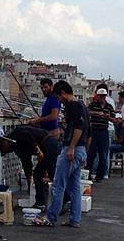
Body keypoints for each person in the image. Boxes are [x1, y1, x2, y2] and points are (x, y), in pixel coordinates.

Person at [35, 81, 89, 228]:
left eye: (59, 97)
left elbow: (78, 127)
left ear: (64, 92)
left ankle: (51, 218)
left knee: (58, 184)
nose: (59, 101)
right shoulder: (83, 105)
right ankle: (75, 220)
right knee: (74, 187)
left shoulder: (73, 105)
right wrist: (84, 152)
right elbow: (87, 130)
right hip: (81, 149)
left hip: (72, 149)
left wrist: (71, 147)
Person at [0, 125, 60, 210]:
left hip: (48, 143)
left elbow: (28, 136)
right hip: (44, 149)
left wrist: (38, 151)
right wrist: (29, 178)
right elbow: (26, 162)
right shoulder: (17, 149)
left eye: (6, 149)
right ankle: (40, 202)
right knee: (37, 175)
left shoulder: (17, 133)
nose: (8, 151)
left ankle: (64, 199)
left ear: (5, 142)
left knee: (53, 175)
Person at [86, 87, 115, 182]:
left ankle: (100, 175)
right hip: (94, 130)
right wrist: (96, 113)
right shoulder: (93, 105)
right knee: (91, 154)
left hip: (103, 131)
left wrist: (108, 117)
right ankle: (88, 174)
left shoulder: (109, 107)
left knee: (103, 154)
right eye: (100, 96)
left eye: (104, 96)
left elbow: (114, 120)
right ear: (97, 96)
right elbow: (87, 112)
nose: (102, 98)